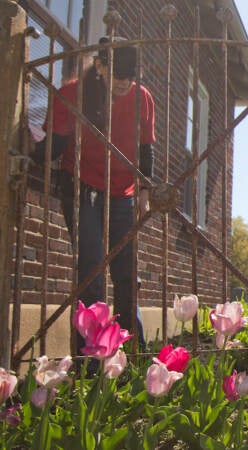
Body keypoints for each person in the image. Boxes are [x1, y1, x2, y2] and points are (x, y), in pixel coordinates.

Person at [30, 37, 155, 352]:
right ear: (99, 66)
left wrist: (144, 193)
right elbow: (54, 146)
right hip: (81, 187)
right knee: (92, 271)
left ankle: (133, 356)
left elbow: (146, 149)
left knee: (127, 277)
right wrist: (28, 152)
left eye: (130, 76)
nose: (125, 82)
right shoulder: (73, 95)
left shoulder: (142, 99)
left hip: (122, 194)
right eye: (117, 74)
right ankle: (89, 361)